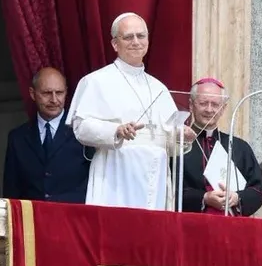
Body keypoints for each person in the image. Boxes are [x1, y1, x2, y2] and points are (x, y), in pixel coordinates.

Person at [65, 12, 196, 210]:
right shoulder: (96, 81)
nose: (136, 41)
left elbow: (170, 143)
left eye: (141, 36)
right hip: (116, 174)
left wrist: (181, 137)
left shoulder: (159, 87)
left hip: (155, 176)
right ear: (115, 44)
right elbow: (81, 127)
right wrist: (116, 131)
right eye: (128, 37)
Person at [178, 77, 262, 216]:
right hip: (190, 226)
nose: (209, 110)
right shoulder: (177, 144)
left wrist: (237, 197)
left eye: (215, 104)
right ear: (191, 105)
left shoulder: (239, 147)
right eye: (203, 103)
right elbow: (168, 190)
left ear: (223, 108)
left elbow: (260, 190)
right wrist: (204, 198)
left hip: (231, 228)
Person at [2, 67, 92, 203]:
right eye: (47, 93)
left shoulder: (82, 129)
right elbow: (12, 191)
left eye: (59, 93)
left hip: (73, 218)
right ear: (32, 94)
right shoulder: (17, 138)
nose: (54, 100)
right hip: (32, 219)